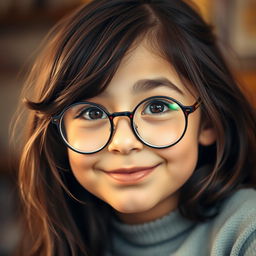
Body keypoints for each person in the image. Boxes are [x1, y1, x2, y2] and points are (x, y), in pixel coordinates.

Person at [14, 0, 256, 255]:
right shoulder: (59, 243)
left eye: (157, 107)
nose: (123, 143)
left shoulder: (246, 231)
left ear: (208, 121)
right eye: (92, 112)